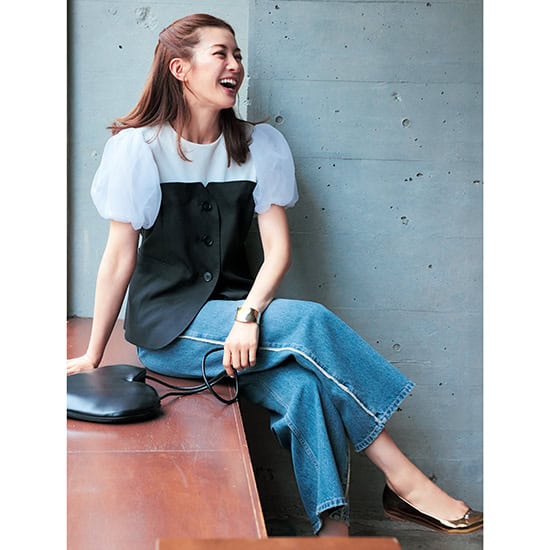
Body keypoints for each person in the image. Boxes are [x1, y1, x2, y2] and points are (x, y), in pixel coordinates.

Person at [66, 13, 483, 537]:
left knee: (304, 389)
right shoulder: (139, 148)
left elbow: (277, 252)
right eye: (220, 53)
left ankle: (333, 534)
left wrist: (247, 316)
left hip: (238, 318)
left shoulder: (258, 145)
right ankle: (404, 479)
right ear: (180, 68)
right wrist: (93, 354)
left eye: (238, 54)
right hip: (169, 329)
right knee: (309, 322)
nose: (235, 65)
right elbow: (118, 259)